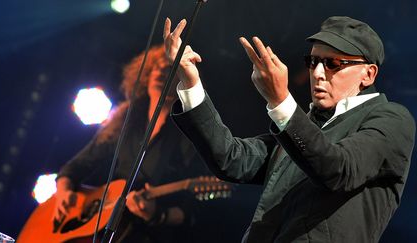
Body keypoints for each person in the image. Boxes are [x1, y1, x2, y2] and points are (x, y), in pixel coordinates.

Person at [163, 16, 416, 242]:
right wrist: (190, 81)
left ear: (368, 74)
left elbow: (339, 169)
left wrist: (281, 101)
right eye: (313, 61)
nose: (317, 73)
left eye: (333, 64)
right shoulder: (305, 124)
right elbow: (232, 158)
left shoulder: (391, 118)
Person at [53, 44, 210, 242]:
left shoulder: (188, 137)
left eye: (169, 68)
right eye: (156, 66)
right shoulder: (125, 120)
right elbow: (74, 167)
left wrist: (157, 214)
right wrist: (63, 192)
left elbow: (191, 212)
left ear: (183, 80)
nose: (161, 70)